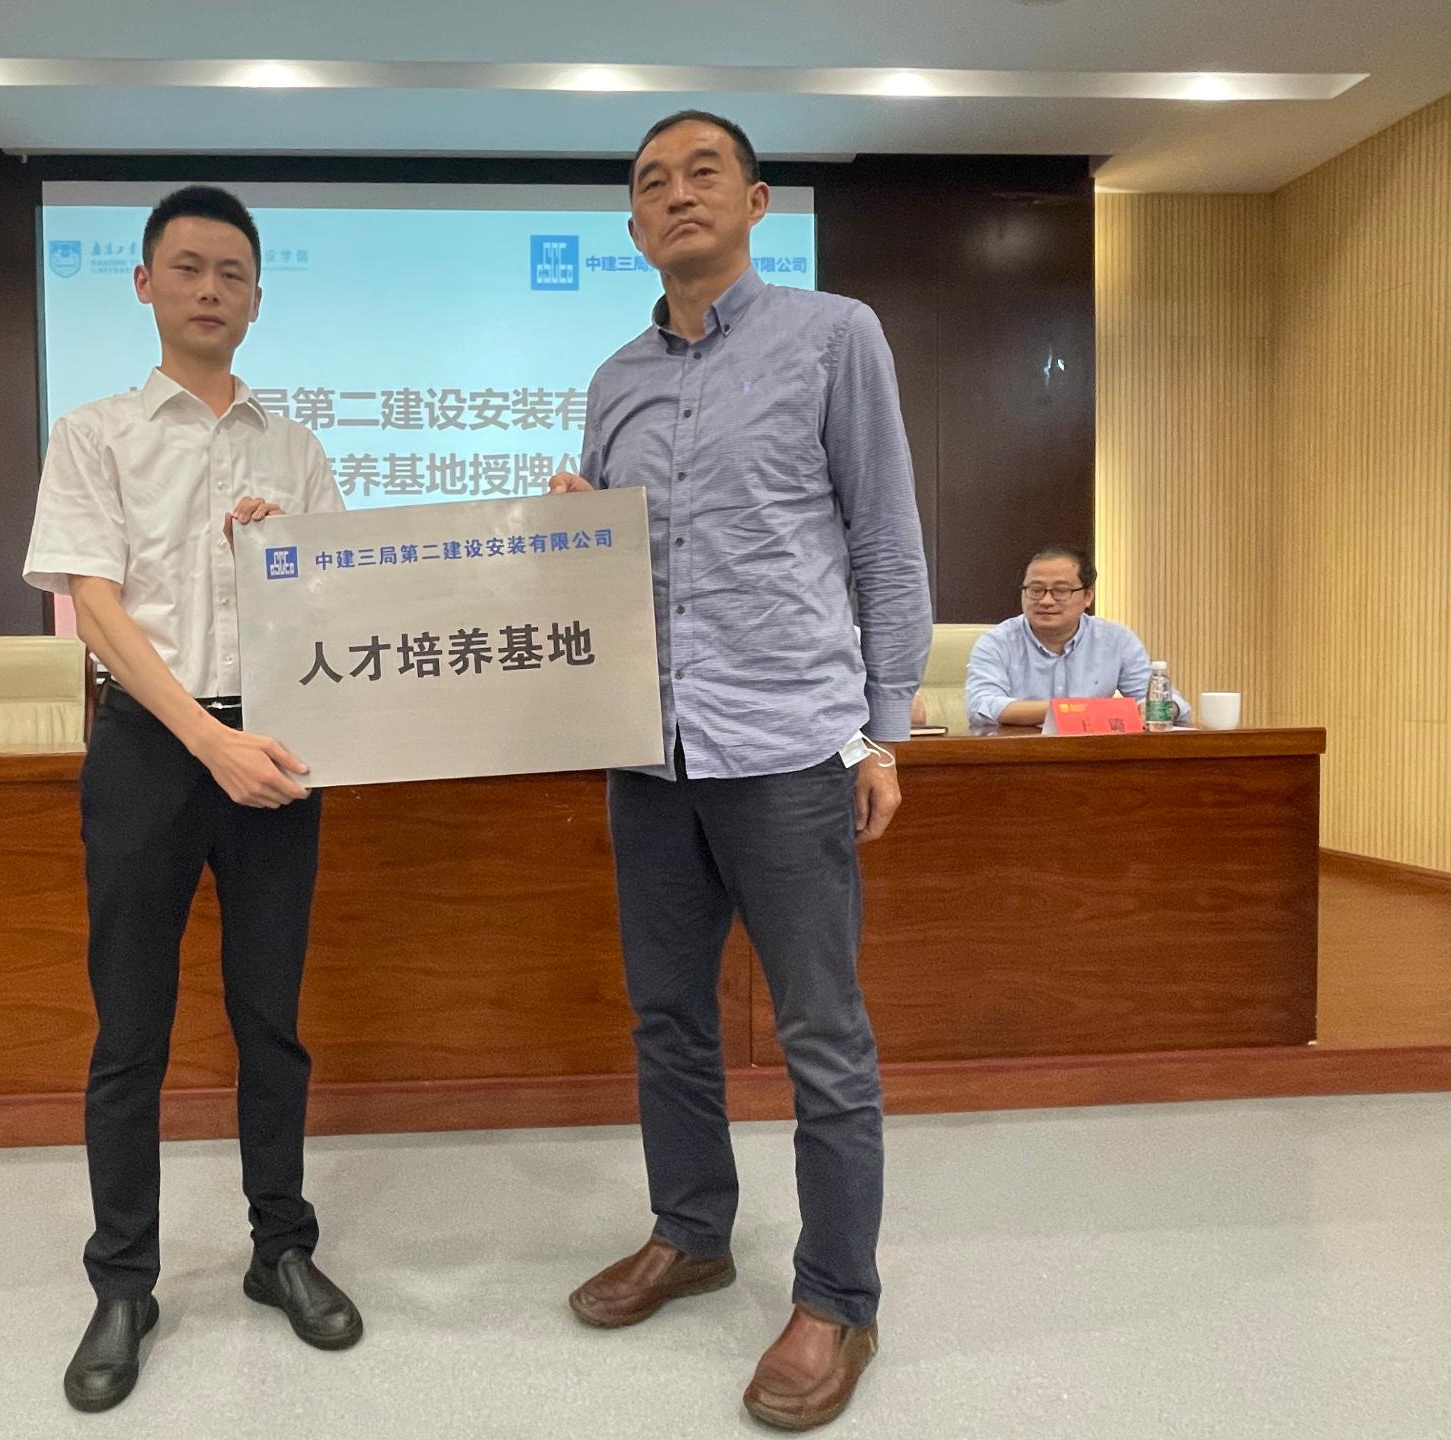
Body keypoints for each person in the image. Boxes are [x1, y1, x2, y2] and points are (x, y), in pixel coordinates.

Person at [550, 110, 931, 1431]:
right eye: (651, 182)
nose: (677, 194)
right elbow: (609, 573)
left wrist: (881, 729)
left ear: (757, 201)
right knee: (667, 1016)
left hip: (785, 744)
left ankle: (838, 1298)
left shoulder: (835, 337)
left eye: (702, 172)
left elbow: (884, 537)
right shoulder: (613, 381)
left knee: (823, 1032)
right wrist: (567, 537)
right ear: (633, 225)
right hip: (649, 752)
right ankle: (693, 1232)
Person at [24, 185, 362, 1415]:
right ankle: (125, 1283)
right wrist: (206, 742)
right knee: (131, 1031)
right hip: (152, 750)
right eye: (187, 267)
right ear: (144, 284)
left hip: (277, 743)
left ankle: (282, 1248)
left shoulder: (298, 448)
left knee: (272, 1018)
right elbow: (95, 608)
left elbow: (342, 601)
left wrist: (287, 559)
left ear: (258, 296)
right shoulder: (96, 433)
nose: (210, 288)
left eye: (232, 272)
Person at [965, 546, 1190, 728]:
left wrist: (1153, 710)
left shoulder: (1116, 639)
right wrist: (1075, 711)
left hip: (1095, 755)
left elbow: (1171, 703)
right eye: (1035, 590)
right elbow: (982, 705)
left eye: (1061, 591)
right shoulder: (997, 642)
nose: (1046, 601)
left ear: (1088, 596)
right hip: (1020, 756)